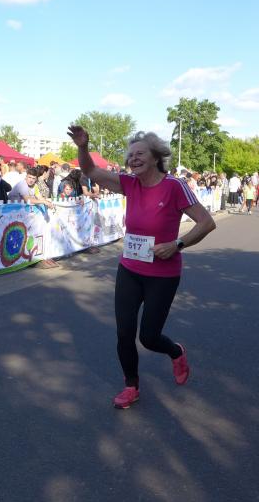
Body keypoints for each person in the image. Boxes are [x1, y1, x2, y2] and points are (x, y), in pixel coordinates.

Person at [68, 125, 215, 409]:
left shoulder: (174, 186)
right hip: (130, 270)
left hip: (163, 274)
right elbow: (90, 171)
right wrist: (83, 147)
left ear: (156, 157)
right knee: (124, 333)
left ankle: (176, 352)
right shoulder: (129, 184)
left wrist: (177, 244)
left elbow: (206, 223)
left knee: (148, 337)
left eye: (140, 154)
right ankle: (131, 386)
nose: (133, 159)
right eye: (131, 155)